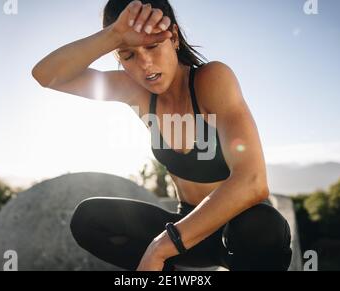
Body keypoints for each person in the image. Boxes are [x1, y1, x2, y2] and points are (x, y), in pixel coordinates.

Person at [32, 0, 292, 271]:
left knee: (263, 226)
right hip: (187, 230)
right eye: (128, 55)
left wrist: (161, 247)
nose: (145, 64)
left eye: (152, 46)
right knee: (89, 219)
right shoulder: (135, 91)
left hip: (238, 236)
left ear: (174, 38)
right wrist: (113, 35)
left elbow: (253, 182)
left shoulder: (211, 79)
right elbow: (47, 76)